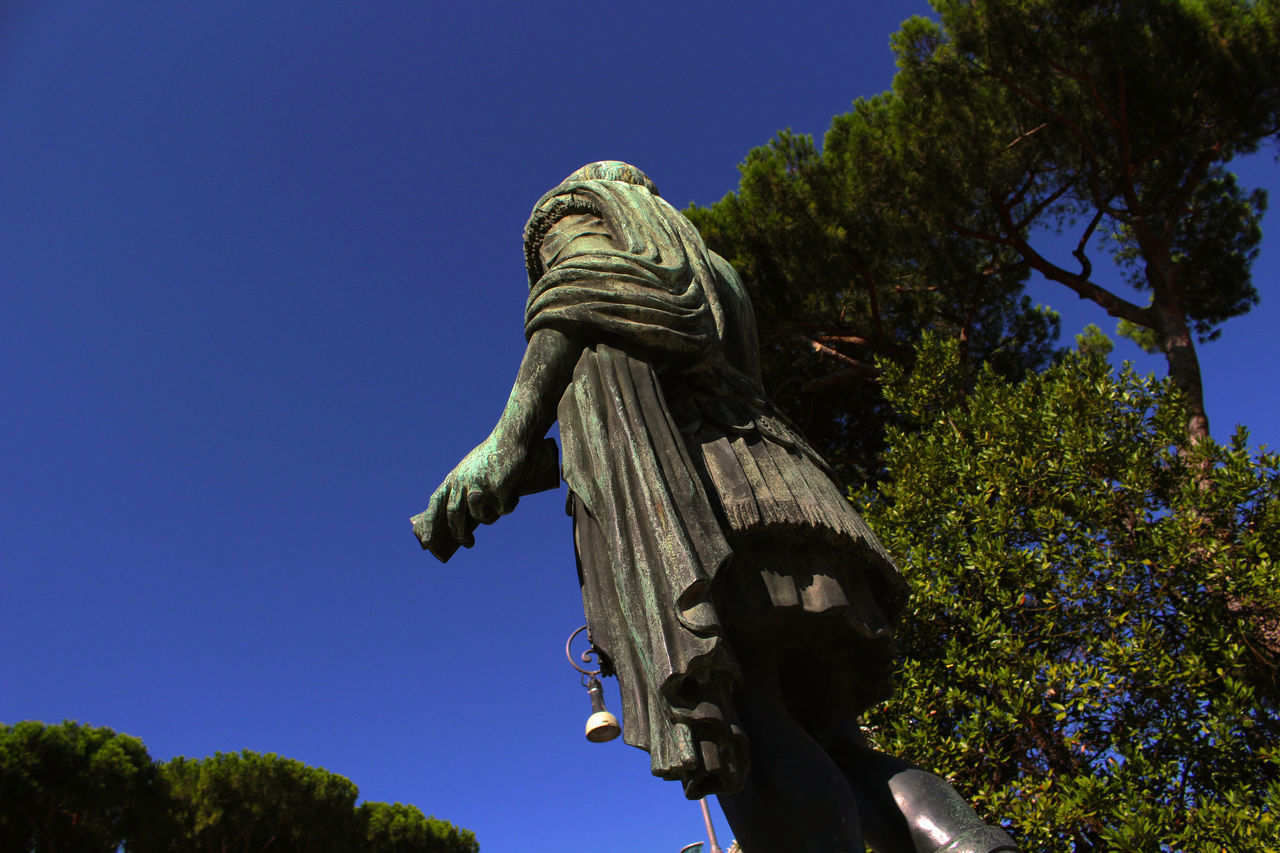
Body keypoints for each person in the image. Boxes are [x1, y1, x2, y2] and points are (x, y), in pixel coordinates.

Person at [419, 161, 1018, 853]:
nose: (551, 257)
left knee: (750, 718)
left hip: (710, 519)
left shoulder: (593, 241)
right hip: (799, 497)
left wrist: (506, 439)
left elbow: (579, 298)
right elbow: (653, 411)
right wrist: (523, 471)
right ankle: (968, 844)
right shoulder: (715, 273)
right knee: (836, 736)